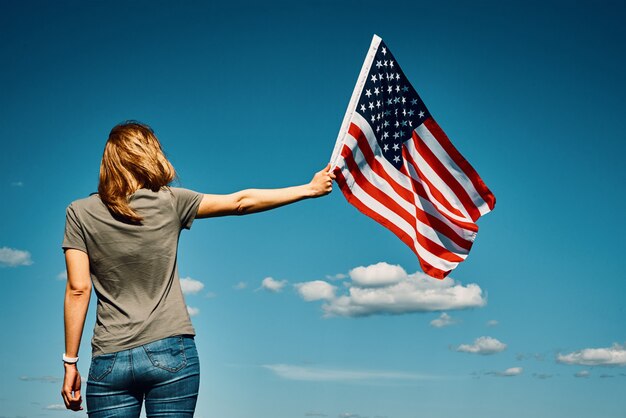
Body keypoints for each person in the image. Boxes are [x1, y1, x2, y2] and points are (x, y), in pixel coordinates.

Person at [61, 121, 334, 417]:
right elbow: (240, 202)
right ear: (148, 155)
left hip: (108, 356)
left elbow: (79, 289)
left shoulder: (79, 212)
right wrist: (309, 189)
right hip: (171, 349)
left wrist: (70, 362)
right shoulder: (170, 201)